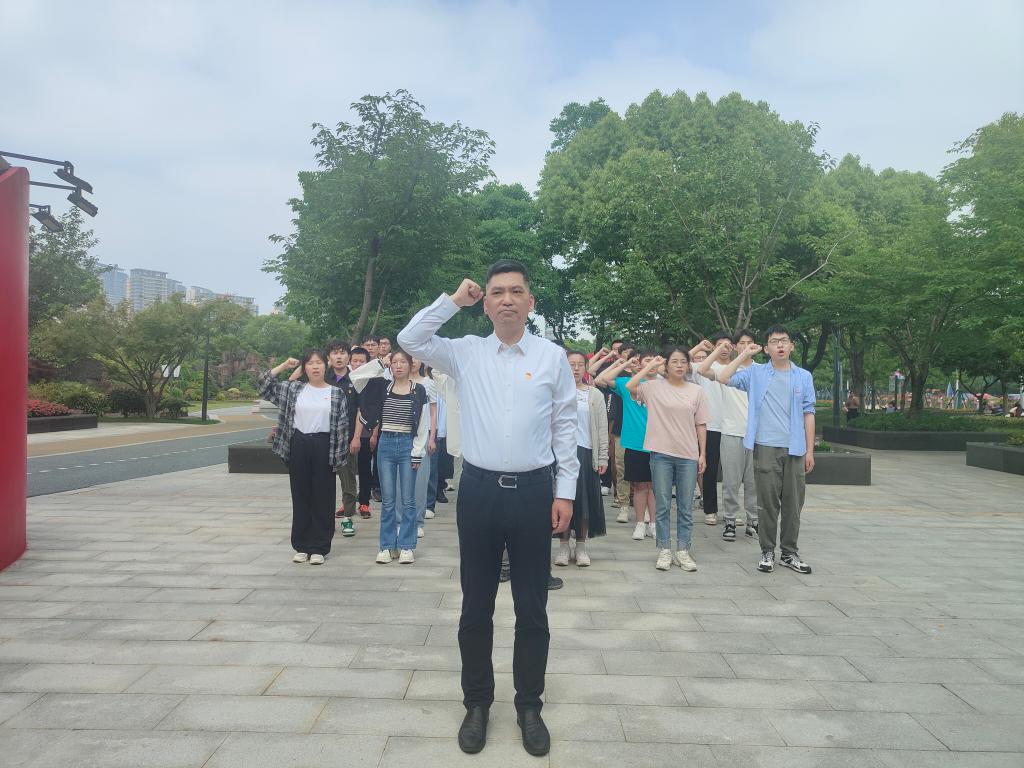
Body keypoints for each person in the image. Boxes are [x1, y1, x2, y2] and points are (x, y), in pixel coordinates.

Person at [398, 259, 578, 758]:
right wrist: (454, 300)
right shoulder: (465, 353)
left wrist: (565, 491)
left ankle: (529, 705)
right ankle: (477, 703)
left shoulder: (551, 357)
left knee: (532, 606)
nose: (506, 300)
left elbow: (565, 426)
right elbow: (410, 338)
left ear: (530, 302)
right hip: (478, 491)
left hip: (535, 492)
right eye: (497, 292)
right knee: (475, 604)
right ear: (486, 303)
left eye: (516, 291)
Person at [716, 325, 816, 575]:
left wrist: (810, 451)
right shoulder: (756, 373)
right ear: (766, 348)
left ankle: (789, 553)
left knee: (794, 505)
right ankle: (767, 551)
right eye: (774, 341)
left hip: (795, 448)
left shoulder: (803, 376)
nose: (780, 345)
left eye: (784, 340)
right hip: (765, 446)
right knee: (768, 504)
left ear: (792, 346)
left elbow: (809, 413)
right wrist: (743, 353)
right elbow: (724, 377)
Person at [258, 350, 349, 565]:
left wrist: (338, 457)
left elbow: (343, 426)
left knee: (323, 496)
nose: (315, 367)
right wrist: (284, 366)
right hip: (299, 443)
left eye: (319, 363)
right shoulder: (293, 389)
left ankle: (319, 547)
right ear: (304, 368)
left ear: (326, 365)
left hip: (324, 445)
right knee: (300, 496)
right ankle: (301, 545)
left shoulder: (336, 393)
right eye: (310, 363)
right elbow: (263, 385)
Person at [627, 347, 709, 572]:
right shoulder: (653, 387)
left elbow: (701, 424)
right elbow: (630, 386)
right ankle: (664, 549)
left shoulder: (697, 391)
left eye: (683, 361)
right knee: (662, 504)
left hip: (688, 455)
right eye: (674, 361)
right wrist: (651, 366)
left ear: (689, 365)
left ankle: (683, 550)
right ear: (666, 365)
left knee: (685, 505)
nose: (680, 365)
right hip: (660, 454)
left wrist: (702, 453)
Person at [361, 350, 429, 565]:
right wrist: (379, 363)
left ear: (410, 365)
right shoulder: (383, 387)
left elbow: (423, 424)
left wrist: (417, 452)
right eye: (395, 362)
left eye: (403, 362)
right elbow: (357, 378)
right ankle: (387, 546)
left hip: (408, 444)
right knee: (388, 501)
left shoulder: (419, 390)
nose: (398, 365)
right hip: (386, 444)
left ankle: (407, 545)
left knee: (408, 500)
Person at [696, 329, 761, 541]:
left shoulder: (762, 370)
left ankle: (753, 520)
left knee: (753, 482)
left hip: (757, 435)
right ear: (735, 346)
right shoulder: (727, 369)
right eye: (741, 343)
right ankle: (730, 520)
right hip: (731, 431)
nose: (746, 346)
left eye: (749, 342)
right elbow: (703, 369)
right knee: (731, 481)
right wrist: (719, 349)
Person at [595, 350, 656, 541]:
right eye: (645, 361)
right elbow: (602, 379)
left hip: (658, 442)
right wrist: (625, 363)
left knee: (655, 486)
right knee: (639, 485)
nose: (649, 365)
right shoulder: (626, 383)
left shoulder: (662, 384)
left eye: (652, 361)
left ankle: (654, 523)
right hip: (635, 442)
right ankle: (640, 523)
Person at [554, 351, 608, 568]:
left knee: (584, 502)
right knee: (562, 499)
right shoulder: (555, 392)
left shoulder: (594, 395)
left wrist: (603, 456)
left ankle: (581, 546)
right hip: (560, 453)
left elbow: (602, 428)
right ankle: (563, 546)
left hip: (585, 452)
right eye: (571, 364)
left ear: (586, 367)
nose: (575, 369)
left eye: (579, 365)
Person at [691, 333, 727, 526]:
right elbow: (679, 362)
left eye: (727, 345)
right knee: (710, 470)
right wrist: (699, 347)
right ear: (713, 347)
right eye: (719, 345)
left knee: (732, 474)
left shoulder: (739, 367)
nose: (723, 348)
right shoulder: (704, 368)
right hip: (711, 425)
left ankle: (731, 511)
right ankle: (710, 509)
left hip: (734, 427)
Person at [410, 357, 438, 538]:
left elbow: (434, 412)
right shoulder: (395, 381)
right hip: (401, 435)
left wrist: (432, 437)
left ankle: (418, 521)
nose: (412, 361)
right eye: (408, 356)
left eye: (415, 357)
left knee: (420, 481)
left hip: (422, 435)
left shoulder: (428, 383)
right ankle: (402, 521)